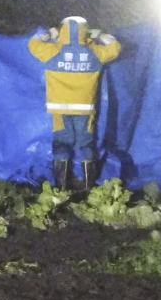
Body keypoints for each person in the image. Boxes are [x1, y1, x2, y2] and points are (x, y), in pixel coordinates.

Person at [28, 16, 121, 190]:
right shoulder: (94, 52)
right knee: (86, 144)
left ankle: (61, 187)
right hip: (85, 108)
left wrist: (49, 34)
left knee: (61, 143)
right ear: (84, 30)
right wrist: (100, 35)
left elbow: (32, 44)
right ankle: (88, 188)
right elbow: (115, 47)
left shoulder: (53, 51)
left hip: (59, 108)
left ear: (63, 29)